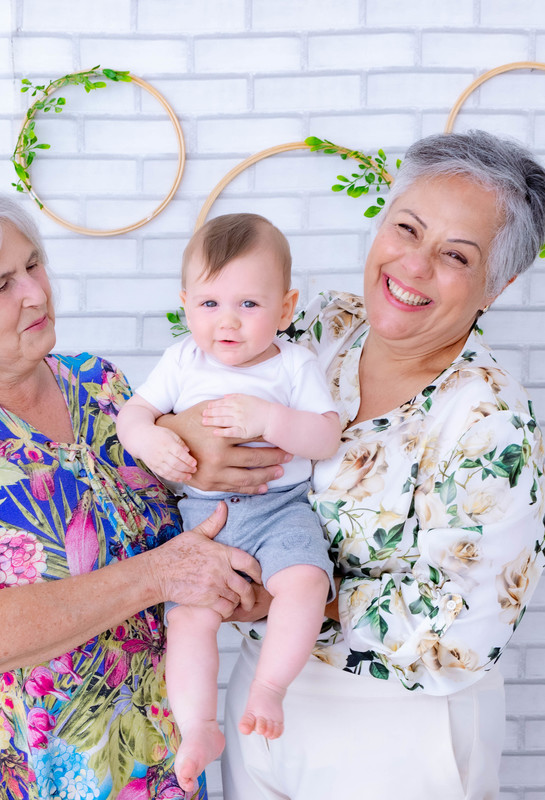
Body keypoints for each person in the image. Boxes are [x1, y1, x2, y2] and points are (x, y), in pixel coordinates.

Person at [162, 130, 545, 799]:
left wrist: (274, 598)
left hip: (397, 726)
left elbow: (462, 627)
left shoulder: (488, 419)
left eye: (455, 255)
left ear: (498, 285)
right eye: (407, 228)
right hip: (262, 701)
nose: (414, 264)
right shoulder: (321, 329)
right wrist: (176, 433)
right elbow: (198, 370)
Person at [0, 179, 265, 800]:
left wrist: (243, 583)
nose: (36, 292)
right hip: (20, 776)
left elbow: (188, 543)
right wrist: (162, 575)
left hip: (153, 765)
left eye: (33, 264)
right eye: (1, 285)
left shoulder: (101, 388)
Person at [115, 213, 341, 793]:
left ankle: (270, 686)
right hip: (204, 519)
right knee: (189, 617)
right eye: (210, 304)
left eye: (249, 304)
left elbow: (325, 436)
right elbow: (131, 415)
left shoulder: (293, 366)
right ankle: (199, 727)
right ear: (186, 303)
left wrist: (271, 419)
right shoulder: (182, 361)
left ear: (286, 309)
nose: (228, 323)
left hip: (281, 507)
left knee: (306, 582)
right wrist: (152, 438)